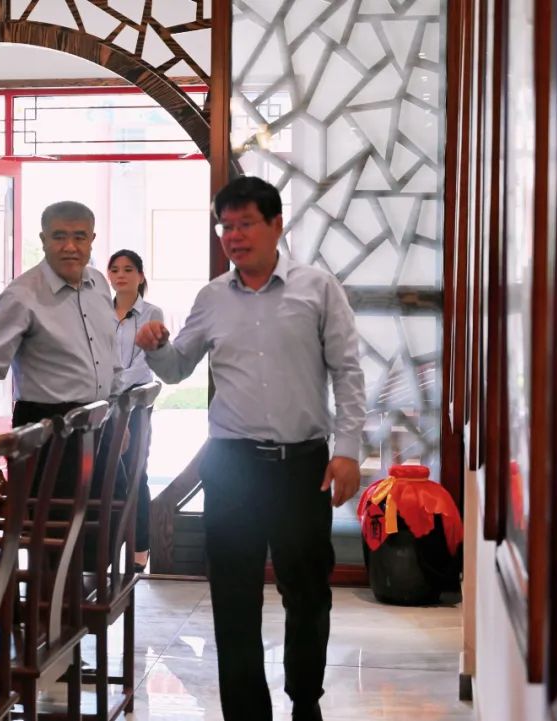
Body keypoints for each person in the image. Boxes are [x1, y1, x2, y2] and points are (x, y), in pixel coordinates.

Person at [135, 176, 366, 721]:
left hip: (301, 466)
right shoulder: (212, 297)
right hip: (232, 466)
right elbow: (178, 368)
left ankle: (305, 700)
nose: (234, 236)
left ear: (276, 225)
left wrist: (349, 449)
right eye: (226, 227)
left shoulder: (317, 288)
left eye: (245, 224)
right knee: (233, 595)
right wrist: (155, 347)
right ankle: (245, 712)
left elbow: (347, 372)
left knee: (307, 591)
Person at [0, 201, 122, 478]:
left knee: (113, 505)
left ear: (92, 240)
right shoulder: (21, 296)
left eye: (80, 237)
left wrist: (119, 420)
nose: (70, 246)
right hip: (45, 432)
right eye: (59, 236)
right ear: (43, 239)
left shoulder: (99, 284)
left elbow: (111, 356)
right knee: (47, 508)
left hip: (102, 425)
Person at [107, 249, 164, 573]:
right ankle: (106, 547)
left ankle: (140, 546)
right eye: (115, 269)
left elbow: (145, 364)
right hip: (102, 403)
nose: (121, 275)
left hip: (135, 402)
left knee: (135, 473)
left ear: (140, 276)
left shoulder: (152, 312)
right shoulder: (99, 311)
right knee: (104, 476)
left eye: (128, 269)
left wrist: (114, 386)